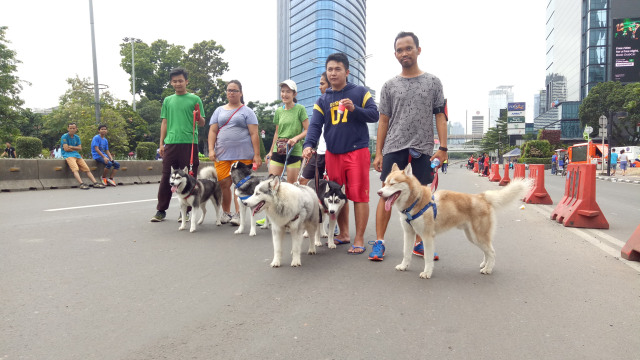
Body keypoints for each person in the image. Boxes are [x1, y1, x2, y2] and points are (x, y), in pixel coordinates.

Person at [371, 31, 448, 261]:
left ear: (418, 50)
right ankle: (379, 242)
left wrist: (443, 148)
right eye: (400, 50)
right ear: (395, 54)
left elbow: (440, 116)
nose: (404, 53)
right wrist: (379, 153)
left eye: (408, 48)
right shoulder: (389, 86)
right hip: (394, 147)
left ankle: (419, 244)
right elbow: (383, 121)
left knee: (422, 197)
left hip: (423, 148)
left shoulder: (433, 82)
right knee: (386, 194)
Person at [302, 52, 379, 254]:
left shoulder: (360, 92)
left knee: (359, 196)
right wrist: (308, 145)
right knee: (337, 194)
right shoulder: (323, 99)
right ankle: (344, 233)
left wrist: (355, 109)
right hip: (333, 154)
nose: (333, 73)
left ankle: (359, 239)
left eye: (337, 69)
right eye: (330, 70)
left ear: (347, 71)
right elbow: (315, 126)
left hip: (357, 151)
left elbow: (374, 114)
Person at [150, 67, 205, 222]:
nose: (178, 83)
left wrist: (198, 117)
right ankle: (161, 210)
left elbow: (202, 123)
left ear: (186, 81)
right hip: (171, 143)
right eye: (174, 81)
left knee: (189, 178)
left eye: (180, 80)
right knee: (167, 176)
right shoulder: (168, 100)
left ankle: (186, 212)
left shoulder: (195, 99)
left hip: (189, 143)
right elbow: (164, 122)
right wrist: (161, 144)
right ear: (171, 83)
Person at [208, 80, 261, 225]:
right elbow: (213, 131)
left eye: (234, 90)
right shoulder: (218, 110)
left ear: (241, 93)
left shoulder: (247, 111)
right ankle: (226, 213)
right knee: (224, 184)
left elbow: (254, 134)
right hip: (222, 154)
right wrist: (211, 149)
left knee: (241, 185)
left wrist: (257, 155)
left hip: (243, 155)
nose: (231, 93)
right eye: (229, 90)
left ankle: (239, 215)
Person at [266, 79, 308, 183]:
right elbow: (277, 132)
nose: (284, 94)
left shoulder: (300, 109)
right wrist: (271, 151)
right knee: (271, 183)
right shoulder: (278, 111)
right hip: (279, 149)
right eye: (283, 91)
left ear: (294, 94)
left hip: (294, 150)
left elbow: (308, 130)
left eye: (288, 92)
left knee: (291, 187)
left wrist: (296, 138)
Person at [299, 72, 329, 186]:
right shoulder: (320, 102)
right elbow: (314, 126)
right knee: (303, 181)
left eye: (322, 83)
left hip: (334, 154)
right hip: (320, 152)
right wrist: (308, 146)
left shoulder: (340, 103)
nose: (319, 87)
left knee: (333, 189)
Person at [60, 123, 105, 189]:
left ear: (76, 129)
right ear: (68, 129)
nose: (72, 129)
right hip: (68, 155)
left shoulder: (77, 137)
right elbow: (66, 149)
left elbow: (80, 148)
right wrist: (75, 148)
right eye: (70, 128)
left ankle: (95, 183)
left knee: (87, 169)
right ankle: (81, 184)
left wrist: (71, 147)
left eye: (74, 128)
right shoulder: (64, 136)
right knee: (75, 169)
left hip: (77, 155)